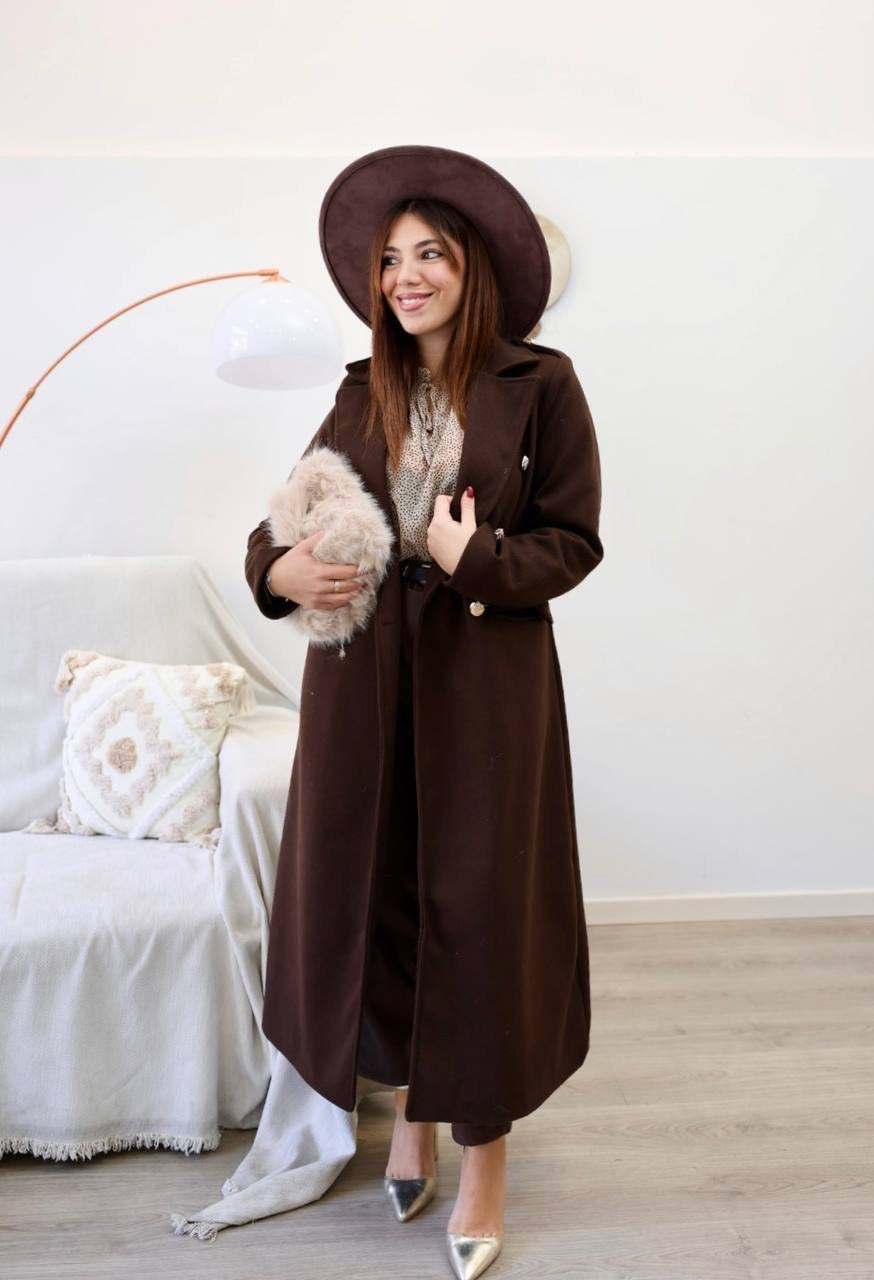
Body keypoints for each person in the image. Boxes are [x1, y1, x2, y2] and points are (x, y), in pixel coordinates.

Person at [245, 145, 604, 1280]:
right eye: (392, 259)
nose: (406, 276)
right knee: (381, 896)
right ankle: (409, 1109)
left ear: (471, 266)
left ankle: (484, 1150)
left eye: (430, 254)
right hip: (362, 689)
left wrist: (474, 557)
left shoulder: (541, 383)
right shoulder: (363, 387)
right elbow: (280, 520)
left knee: (482, 911)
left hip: (484, 690)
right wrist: (278, 573)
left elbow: (574, 541)